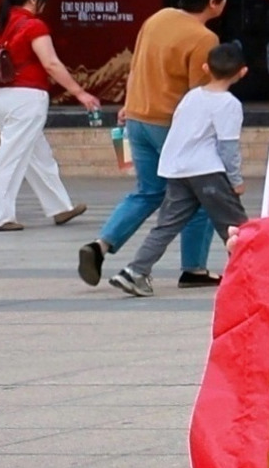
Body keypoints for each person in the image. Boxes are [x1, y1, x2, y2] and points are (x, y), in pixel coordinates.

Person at [87, 0, 227, 288]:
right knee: (200, 195)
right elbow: (200, 94)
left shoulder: (157, 19)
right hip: (170, 126)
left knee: (147, 192)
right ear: (214, 2)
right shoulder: (204, 38)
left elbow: (136, 65)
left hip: (137, 118)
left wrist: (128, 103)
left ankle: (101, 244)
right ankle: (193, 268)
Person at [98, 38, 251, 295]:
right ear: (242, 72)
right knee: (236, 225)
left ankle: (136, 271)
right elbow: (227, 147)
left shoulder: (191, 97)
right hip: (208, 172)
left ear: (205, 68)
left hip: (177, 169)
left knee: (166, 225)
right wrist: (235, 180)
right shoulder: (229, 104)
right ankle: (252, 273)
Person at [0, 0, 89, 232]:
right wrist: (79, 92)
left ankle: (59, 207)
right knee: (11, 158)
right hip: (26, 98)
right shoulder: (34, 26)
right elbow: (51, 64)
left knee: (38, 155)